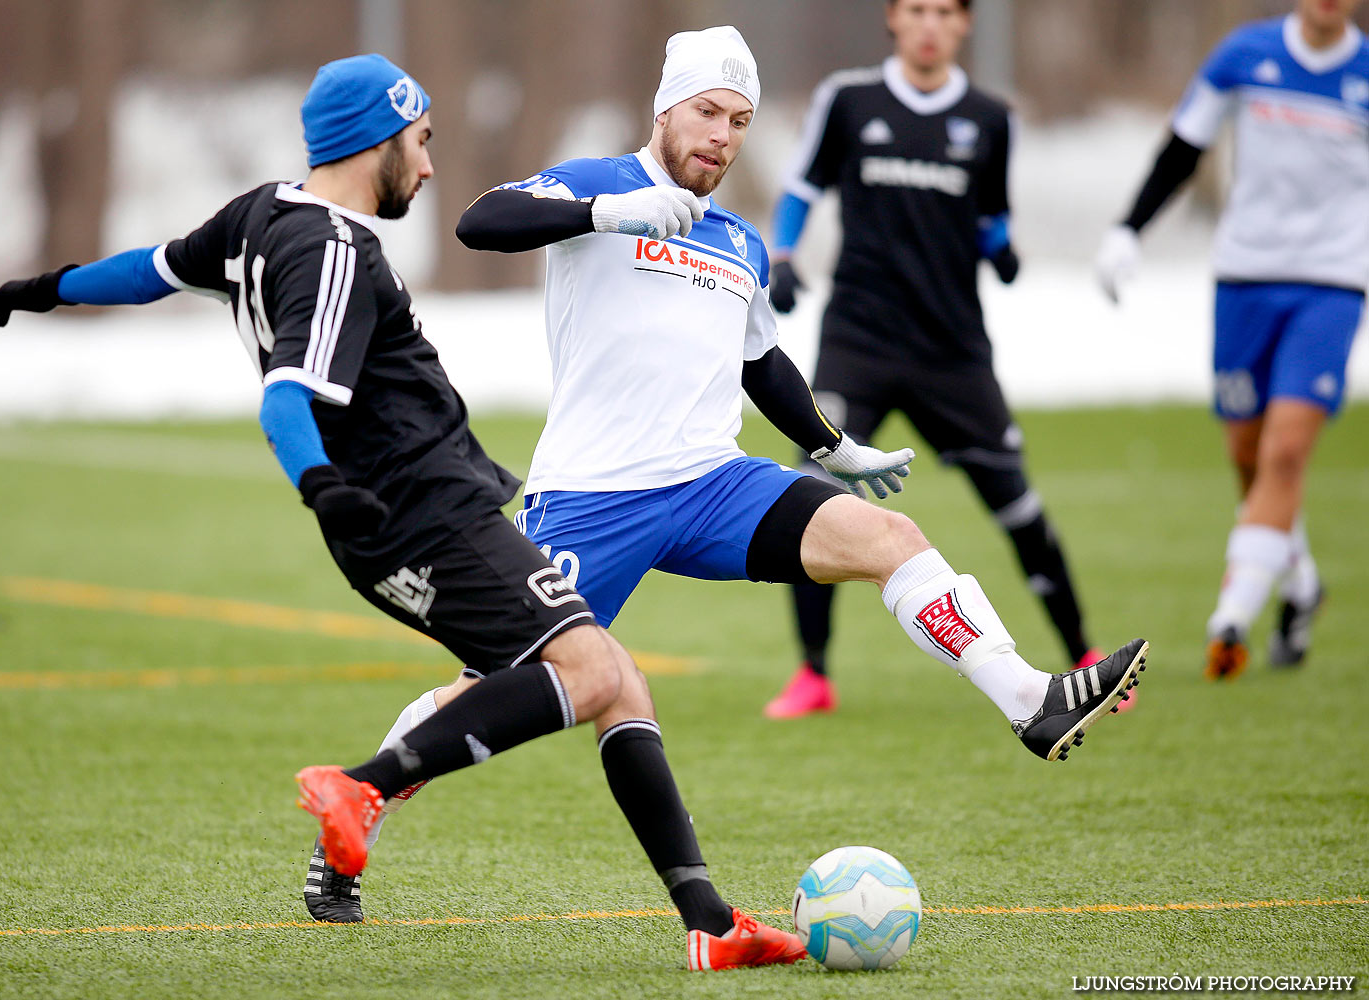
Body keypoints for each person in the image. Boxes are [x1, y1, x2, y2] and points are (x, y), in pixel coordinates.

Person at [0, 54, 807, 972]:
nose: (432, 166)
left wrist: (45, 289)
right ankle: (361, 788)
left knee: (608, 677)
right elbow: (289, 393)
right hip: (424, 514)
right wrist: (317, 482)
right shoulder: (333, 250)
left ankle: (711, 926)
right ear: (380, 140)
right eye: (423, 141)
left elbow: (149, 270)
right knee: (596, 673)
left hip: (395, 525)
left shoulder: (259, 214)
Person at [358, 24, 1149, 916]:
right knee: (491, 689)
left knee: (890, 537)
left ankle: (1030, 701)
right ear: (665, 108)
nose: (721, 135)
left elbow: (762, 366)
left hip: (713, 484)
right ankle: (364, 803)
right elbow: (479, 222)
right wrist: (604, 215)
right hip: (592, 498)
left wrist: (829, 446)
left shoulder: (737, 239)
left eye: (738, 119)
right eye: (705, 111)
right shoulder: (596, 183)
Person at [763, 0, 1108, 721]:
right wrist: (785, 256)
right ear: (893, 18)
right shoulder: (848, 99)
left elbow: (990, 214)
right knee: (811, 491)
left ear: (963, 25)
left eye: (944, 11)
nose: (928, 23)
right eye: (915, 9)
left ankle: (1080, 654)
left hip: (952, 351)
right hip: (857, 339)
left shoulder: (988, 117)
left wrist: (1001, 248)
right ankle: (812, 676)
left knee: (1014, 503)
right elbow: (799, 189)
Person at [1094, 0, 1365, 678]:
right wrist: (1128, 228)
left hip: (1331, 284)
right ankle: (1299, 586)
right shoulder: (1242, 55)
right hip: (1243, 278)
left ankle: (1231, 618)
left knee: (1284, 452)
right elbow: (1185, 145)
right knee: (1245, 451)